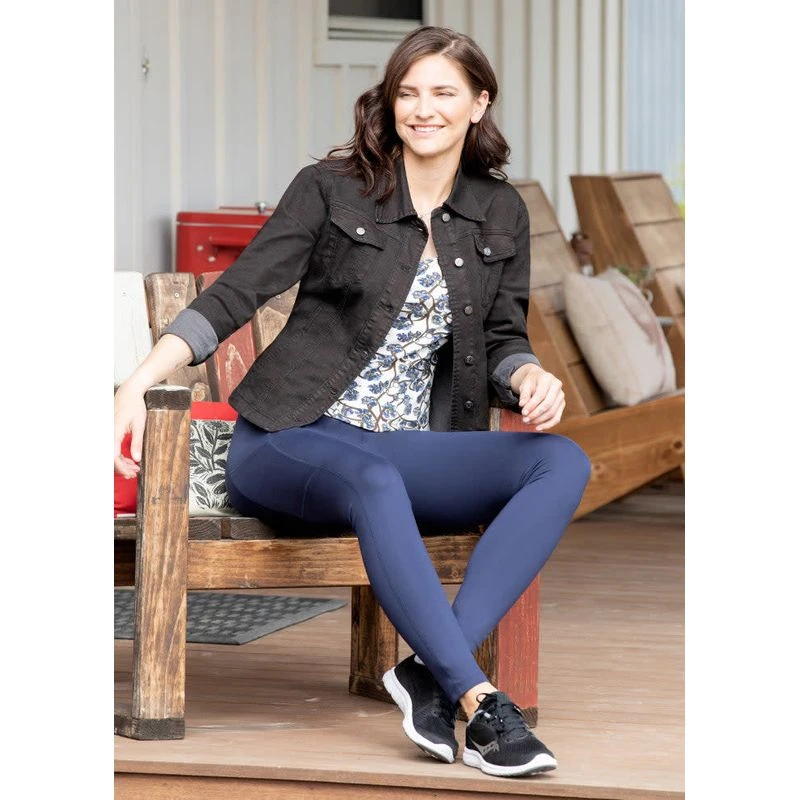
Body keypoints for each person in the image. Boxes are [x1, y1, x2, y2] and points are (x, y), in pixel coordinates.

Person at [114, 25, 591, 779]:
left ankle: (426, 673)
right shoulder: (333, 189)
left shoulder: (500, 211)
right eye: (409, 92)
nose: (423, 109)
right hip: (288, 439)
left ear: (478, 103)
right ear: (390, 102)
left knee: (560, 463)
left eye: (444, 93)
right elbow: (238, 292)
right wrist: (140, 380)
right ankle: (477, 700)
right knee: (374, 479)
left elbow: (504, 336)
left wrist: (529, 374)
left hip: (401, 449)